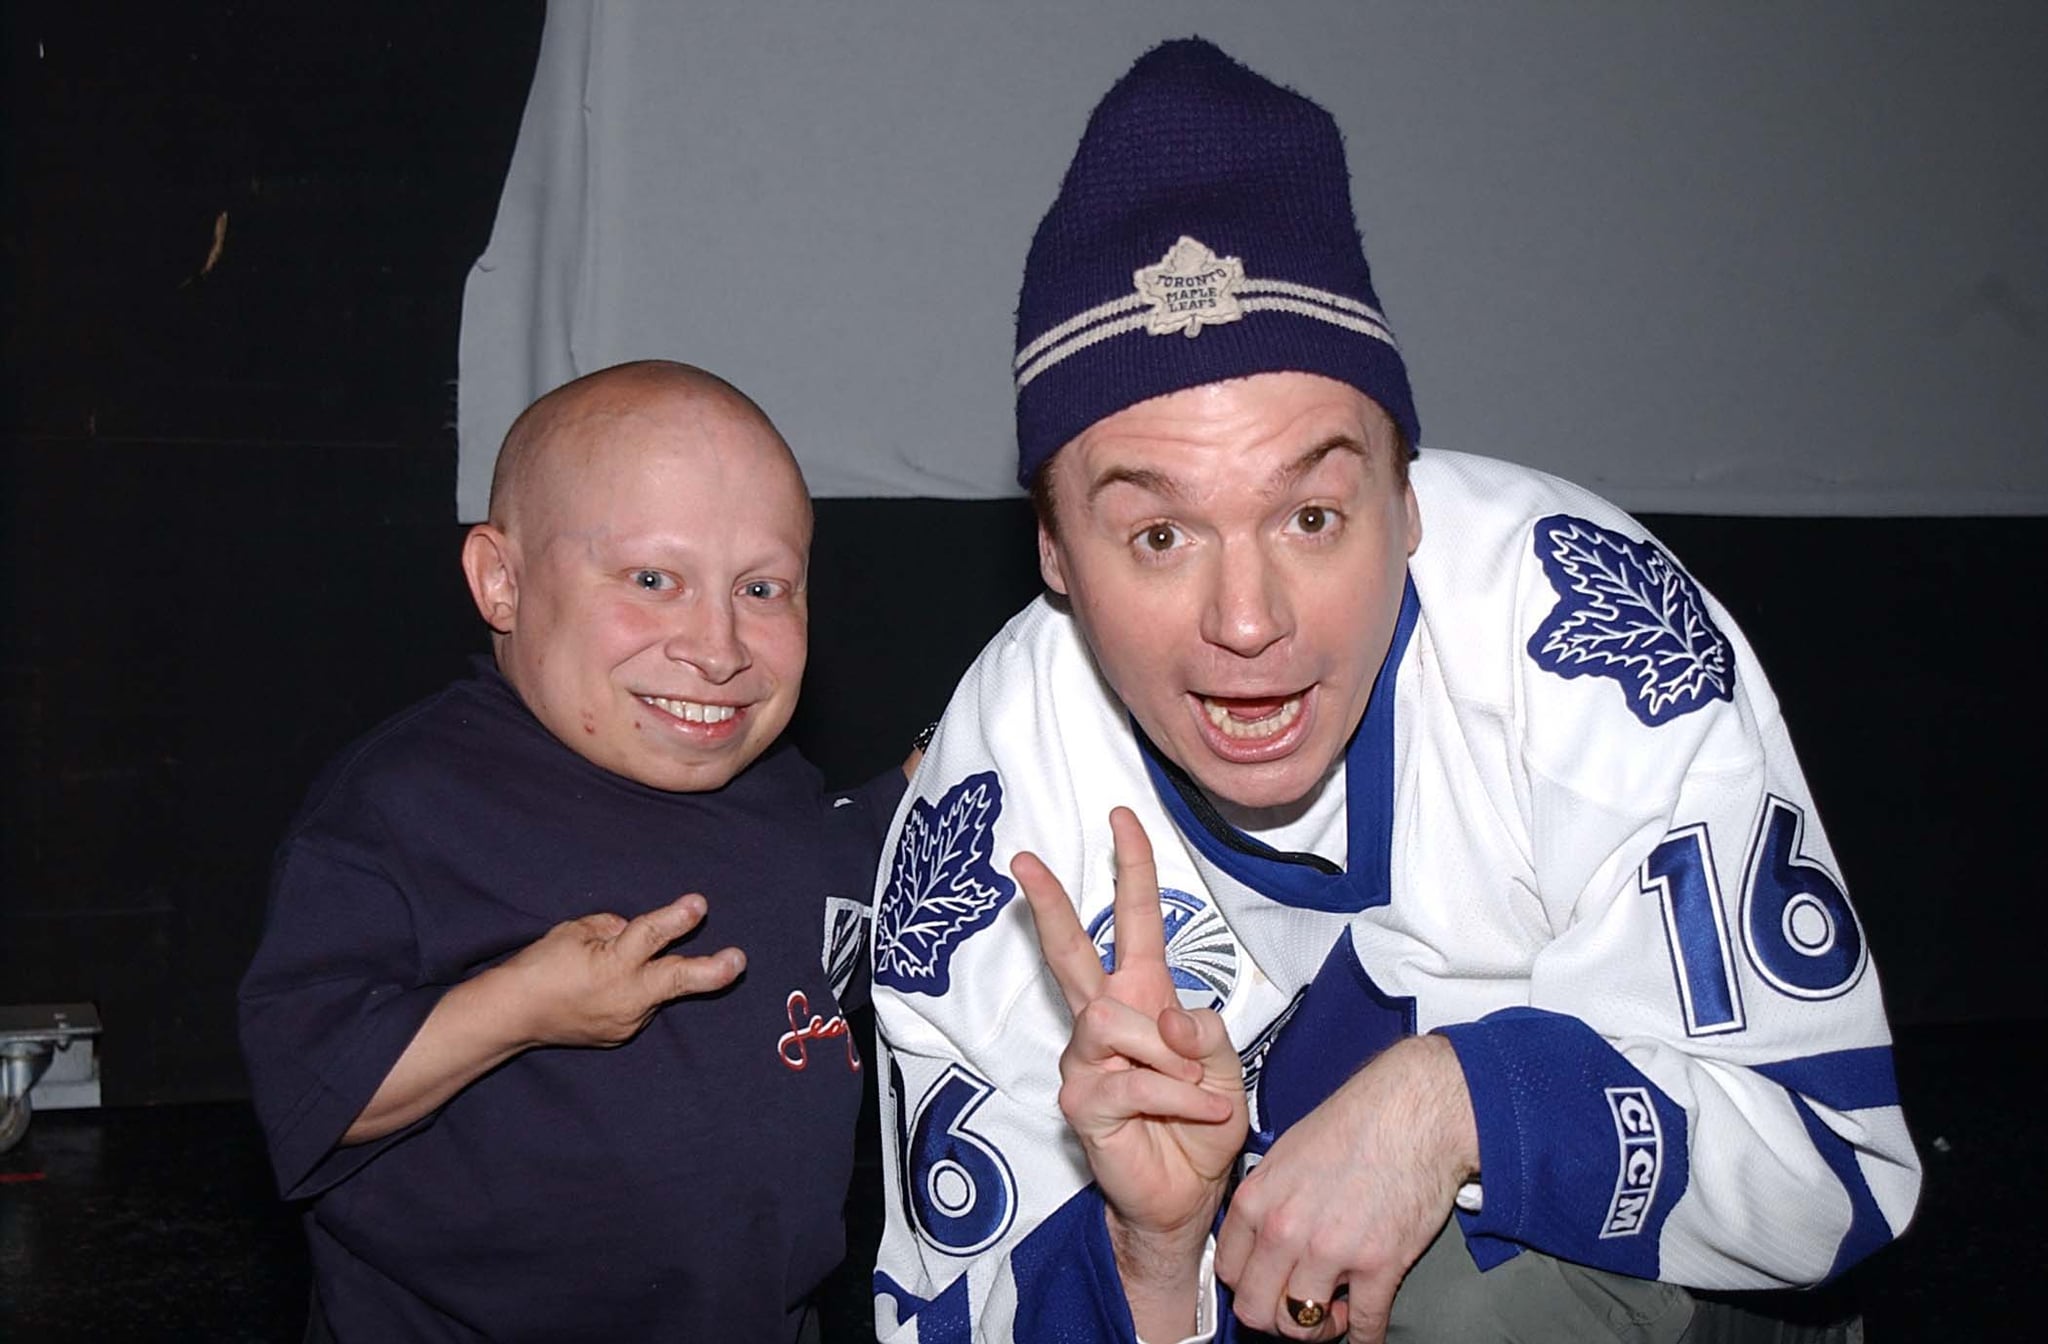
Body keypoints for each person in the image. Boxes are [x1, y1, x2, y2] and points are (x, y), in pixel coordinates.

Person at [869, 38, 1920, 1344]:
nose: (1247, 623)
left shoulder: (1590, 636)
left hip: (1639, 1291)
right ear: (1051, 553)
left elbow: (1836, 1160)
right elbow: (935, 1322)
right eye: (1157, 537)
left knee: (1480, 1305)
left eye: (1311, 514)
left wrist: (1463, 1101)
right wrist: (1148, 1255)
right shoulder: (987, 828)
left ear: (1408, 499)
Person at [239, 360, 905, 1342]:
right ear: (501, 581)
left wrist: (961, 762)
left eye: (763, 587)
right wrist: (524, 1007)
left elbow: (850, 899)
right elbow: (306, 1102)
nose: (718, 647)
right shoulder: (408, 806)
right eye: (651, 579)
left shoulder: (777, 791)